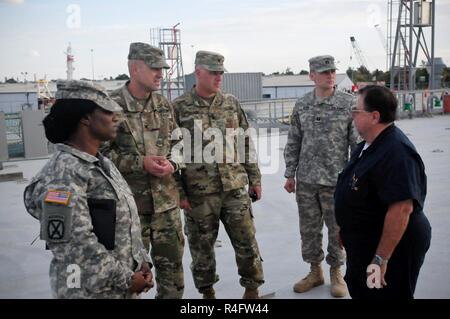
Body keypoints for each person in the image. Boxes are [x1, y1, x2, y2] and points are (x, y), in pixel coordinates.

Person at [23, 80, 153, 298]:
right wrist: (128, 279)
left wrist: (142, 264)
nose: (115, 117)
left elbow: (126, 224)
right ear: (85, 117)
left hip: (119, 289)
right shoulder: (63, 174)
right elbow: (75, 247)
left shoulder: (102, 164)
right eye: (107, 110)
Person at [172, 50, 264, 299]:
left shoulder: (231, 103)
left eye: (221, 72)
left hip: (234, 187)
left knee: (246, 242)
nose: (218, 77)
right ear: (198, 72)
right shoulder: (178, 108)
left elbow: (245, 142)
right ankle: (208, 294)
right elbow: (172, 153)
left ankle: (252, 290)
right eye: (213, 72)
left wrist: (254, 178)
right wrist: (179, 192)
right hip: (199, 194)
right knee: (202, 249)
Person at [100, 42, 184, 299]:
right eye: (155, 68)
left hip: (167, 209)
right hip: (130, 213)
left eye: (162, 68)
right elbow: (99, 156)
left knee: (173, 283)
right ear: (135, 68)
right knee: (130, 281)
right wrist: (140, 163)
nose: (161, 73)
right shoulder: (109, 106)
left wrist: (174, 163)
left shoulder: (163, 104)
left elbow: (179, 142)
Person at [334, 85, 432, 299]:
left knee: (384, 295)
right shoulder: (369, 145)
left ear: (374, 116)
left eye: (356, 111)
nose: (352, 115)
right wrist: (346, 227)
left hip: (389, 249)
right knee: (365, 292)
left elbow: (401, 210)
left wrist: (380, 259)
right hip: (365, 242)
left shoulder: (397, 153)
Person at [283, 55, 358, 297]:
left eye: (333, 71)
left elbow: (357, 144)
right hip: (306, 180)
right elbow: (294, 140)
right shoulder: (303, 104)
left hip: (336, 180)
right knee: (309, 229)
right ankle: (315, 272)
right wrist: (289, 174)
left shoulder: (348, 103)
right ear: (312, 75)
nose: (330, 75)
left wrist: (357, 177)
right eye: (324, 71)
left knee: (337, 229)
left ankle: (337, 272)